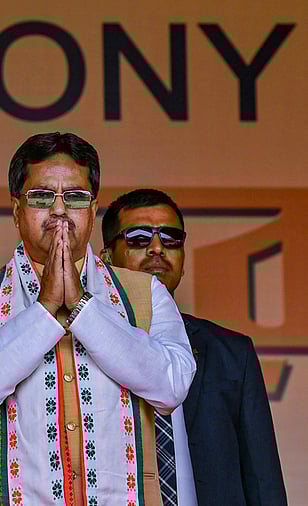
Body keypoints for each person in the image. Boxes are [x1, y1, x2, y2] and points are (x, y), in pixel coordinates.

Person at [0, 132, 195, 506]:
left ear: (92, 210)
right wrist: (45, 308)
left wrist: (82, 306)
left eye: (75, 198)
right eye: (42, 197)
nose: (59, 210)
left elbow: (171, 387)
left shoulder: (147, 294)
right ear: (16, 210)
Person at [101, 188, 287, 505]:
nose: (157, 248)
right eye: (139, 238)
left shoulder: (232, 353)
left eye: (171, 239)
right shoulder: (83, 348)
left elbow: (263, 481)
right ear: (106, 259)